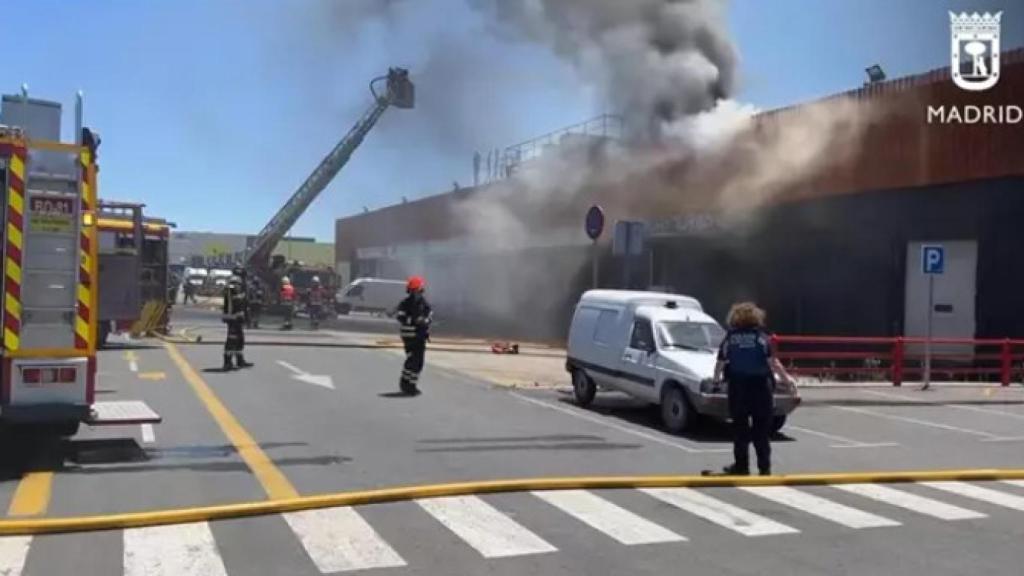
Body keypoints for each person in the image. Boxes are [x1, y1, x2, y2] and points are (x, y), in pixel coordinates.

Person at [713, 302, 784, 476]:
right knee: (761, 431)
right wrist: (786, 380)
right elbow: (772, 362)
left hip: (739, 387)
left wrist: (716, 382)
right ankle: (764, 468)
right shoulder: (761, 337)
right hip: (761, 387)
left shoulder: (730, 338)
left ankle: (741, 466)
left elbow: (720, 362)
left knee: (740, 430)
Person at [395, 276, 432, 395]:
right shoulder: (405, 303)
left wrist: (425, 321)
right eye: (413, 291)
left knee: (419, 362)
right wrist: (414, 320)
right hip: (409, 336)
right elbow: (400, 316)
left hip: (420, 336)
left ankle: (412, 384)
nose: (415, 293)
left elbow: (429, 316)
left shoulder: (424, 304)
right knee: (412, 360)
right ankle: (405, 383)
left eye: (417, 290)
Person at [222, 267, 253, 371]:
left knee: (239, 339)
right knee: (232, 339)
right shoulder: (234, 284)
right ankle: (227, 362)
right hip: (233, 317)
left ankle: (240, 360)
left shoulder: (236, 284)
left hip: (237, 316)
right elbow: (236, 301)